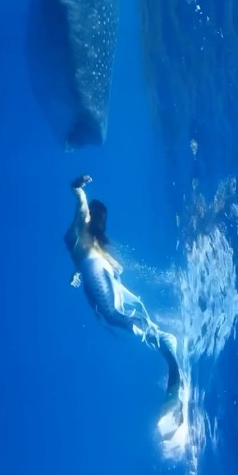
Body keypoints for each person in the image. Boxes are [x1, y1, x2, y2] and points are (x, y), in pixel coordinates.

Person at [64, 174, 183, 417]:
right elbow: (100, 261)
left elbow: (80, 201)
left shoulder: (82, 222)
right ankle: (160, 340)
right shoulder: (89, 240)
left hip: (96, 274)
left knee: (112, 315)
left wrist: (78, 186)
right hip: (95, 273)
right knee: (114, 315)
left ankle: (163, 342)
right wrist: (78, 273)